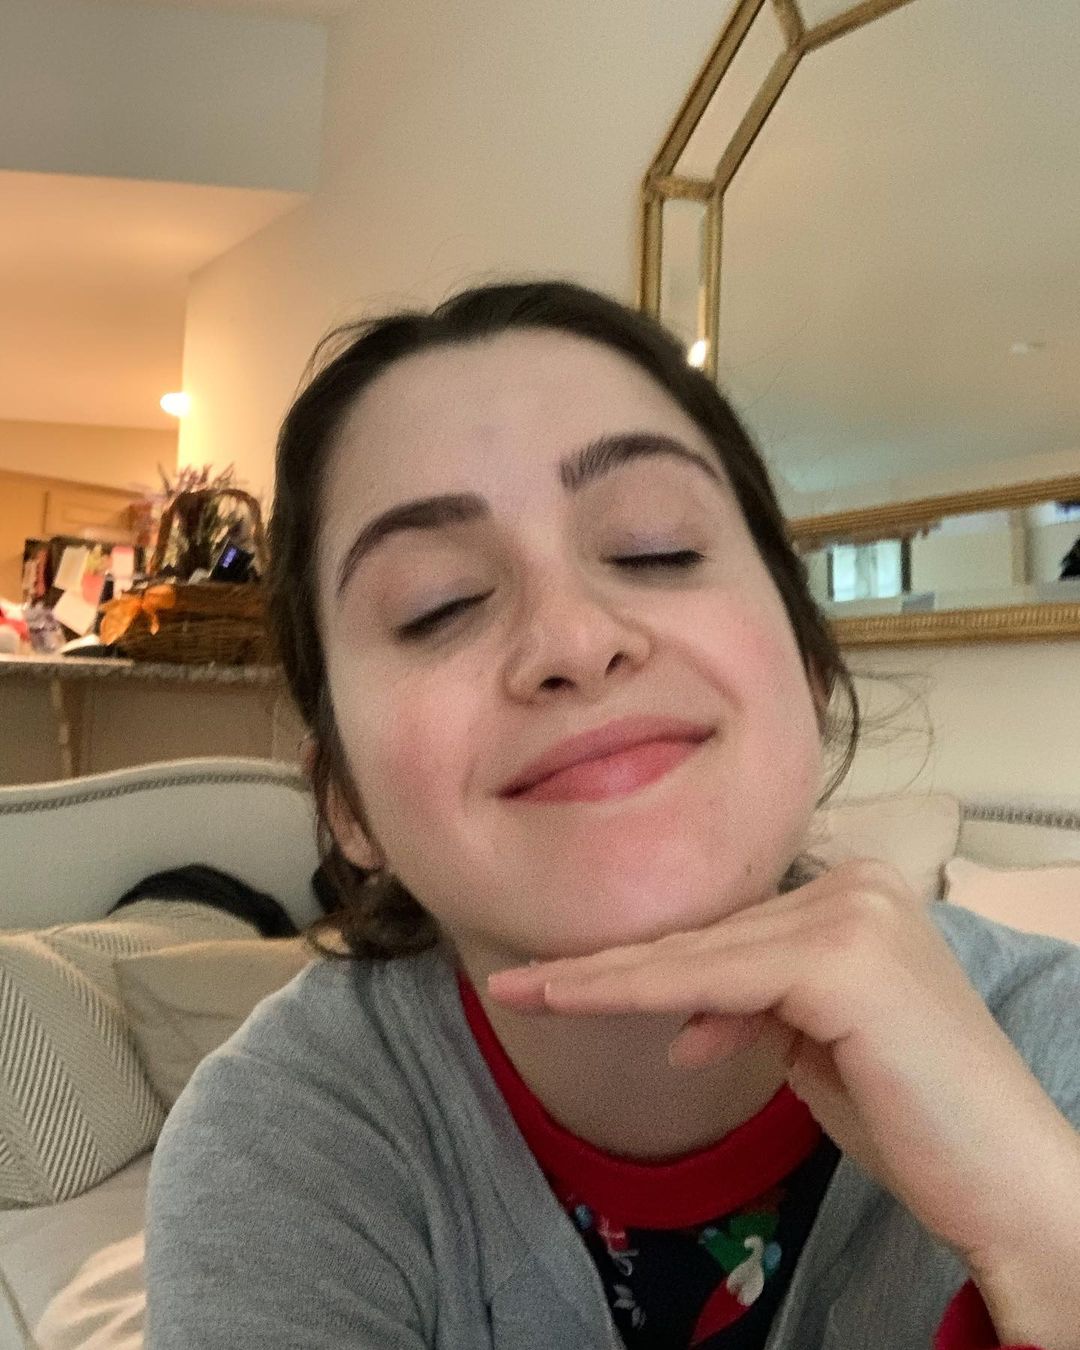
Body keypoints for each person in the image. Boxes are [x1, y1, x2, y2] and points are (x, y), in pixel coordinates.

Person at [145, 281, 1080, 1350]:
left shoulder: (1053, 1044)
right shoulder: (285, 1144)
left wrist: (1051, 1239)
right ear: (347, 804)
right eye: (437, 604)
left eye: (655, 548)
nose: (576, 640)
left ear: (811, 672)